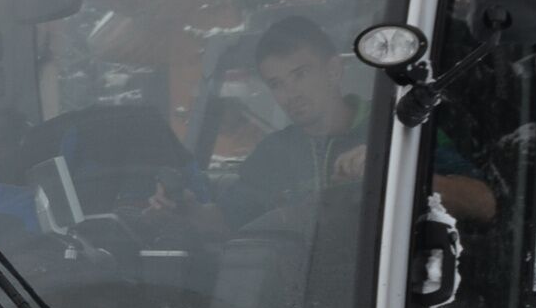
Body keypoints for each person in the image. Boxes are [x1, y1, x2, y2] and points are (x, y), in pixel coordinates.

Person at [208, 17, 496, 229]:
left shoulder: (399, 127)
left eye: (300, 74)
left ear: (334, 69)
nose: (290, 93)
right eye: (277, 84)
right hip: (293, 284)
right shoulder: (272, 154)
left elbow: (482, 204)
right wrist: (186, 208)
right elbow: (224, 221)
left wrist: (389, 169)